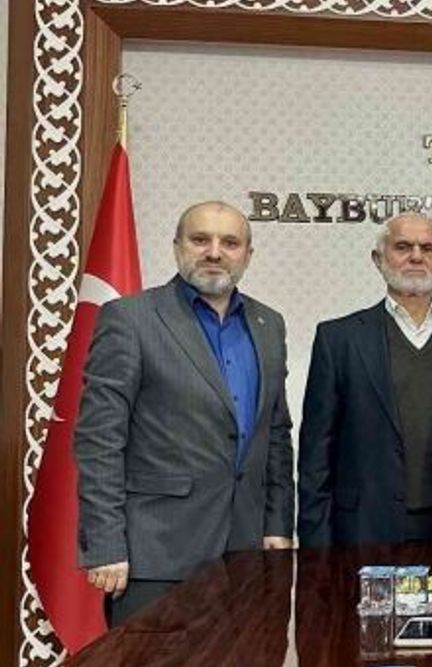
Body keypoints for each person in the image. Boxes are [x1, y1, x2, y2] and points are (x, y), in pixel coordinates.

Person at [77, 201, 294, 626]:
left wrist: (277, 524)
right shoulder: (131, 319)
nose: (214, 252)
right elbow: (99, 439)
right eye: (200, 239)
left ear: (247, 254)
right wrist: (105, 544)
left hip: (247, 553)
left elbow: (276, 433)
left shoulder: (269, 324)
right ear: (177, 247)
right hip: (155, 555)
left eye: (229, 242)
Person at [297, 212, 432, 547]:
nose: (416, 256)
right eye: (403, 247)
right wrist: (316, 547)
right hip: (364, 532)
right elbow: (316, 455)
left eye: (427, 248)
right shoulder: (338, 339)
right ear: (377, 258)